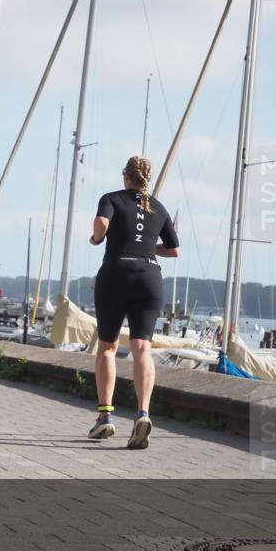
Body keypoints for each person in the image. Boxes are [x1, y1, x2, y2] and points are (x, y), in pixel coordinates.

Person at [88, 155, 179, 449]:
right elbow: (174, 249)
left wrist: (96, 238)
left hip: (116, 272)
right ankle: (142, 413)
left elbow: (102, 222)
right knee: (142, 348)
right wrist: (147, 246)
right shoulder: (159, 207)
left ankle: (105, 418)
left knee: (108, 347)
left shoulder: (111, 198)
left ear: (125, 175)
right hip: (149, 276)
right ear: (147, 179)